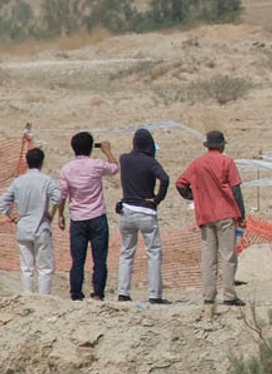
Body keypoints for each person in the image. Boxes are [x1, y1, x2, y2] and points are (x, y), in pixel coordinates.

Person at [174, 130, 245, 307]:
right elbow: (236, 190)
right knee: (228, 255)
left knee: (208, 257)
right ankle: (229, 295)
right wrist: (241, 214)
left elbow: (180, 184)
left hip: (205, 215)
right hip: (225, 213)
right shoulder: (227, 161)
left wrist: (196, 196)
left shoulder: (197, 163)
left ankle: (208, 295)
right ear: (221, 145)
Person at [56, 131, 118, 301]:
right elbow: (114, 168)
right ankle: (98, 293)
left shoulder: (67, 169)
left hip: (77, 218)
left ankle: (76, 294)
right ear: (91, 148)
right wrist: (107, 151)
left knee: (77, 260)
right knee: (99, 259)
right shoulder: (96, 165)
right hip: (97, 216)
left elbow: (62, 194)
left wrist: (60, 215)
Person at [115, 127, 171, 303]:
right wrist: (156, 199)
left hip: (126, 210)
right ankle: (155, 295)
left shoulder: (124, 159)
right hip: (146, 211)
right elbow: (165, 178)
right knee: (153, 253)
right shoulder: (150, 162)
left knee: (126, 253)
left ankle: (123, 292)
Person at [2, 147, 62, 295]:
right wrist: (51, 213)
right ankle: (43, 297)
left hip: (23, 227)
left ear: (27, 162)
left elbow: (2, 202)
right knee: (45, 267)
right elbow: (58, 198)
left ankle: (27, 295)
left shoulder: (18, 182)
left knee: (26, 267)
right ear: (42, 162)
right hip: (41, 226)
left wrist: (11, 215)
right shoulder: (46, 180)